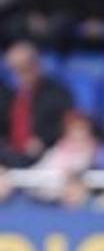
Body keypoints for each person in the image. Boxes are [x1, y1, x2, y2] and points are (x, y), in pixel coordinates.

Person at [0, 40, 74, 168]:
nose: (19, 76)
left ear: (36, 66)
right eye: (14, 70)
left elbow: (67, 125)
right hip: (8, 155)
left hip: (46, 154)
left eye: (24, 69)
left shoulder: (57, 93)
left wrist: (44, 140)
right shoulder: (6, 93)